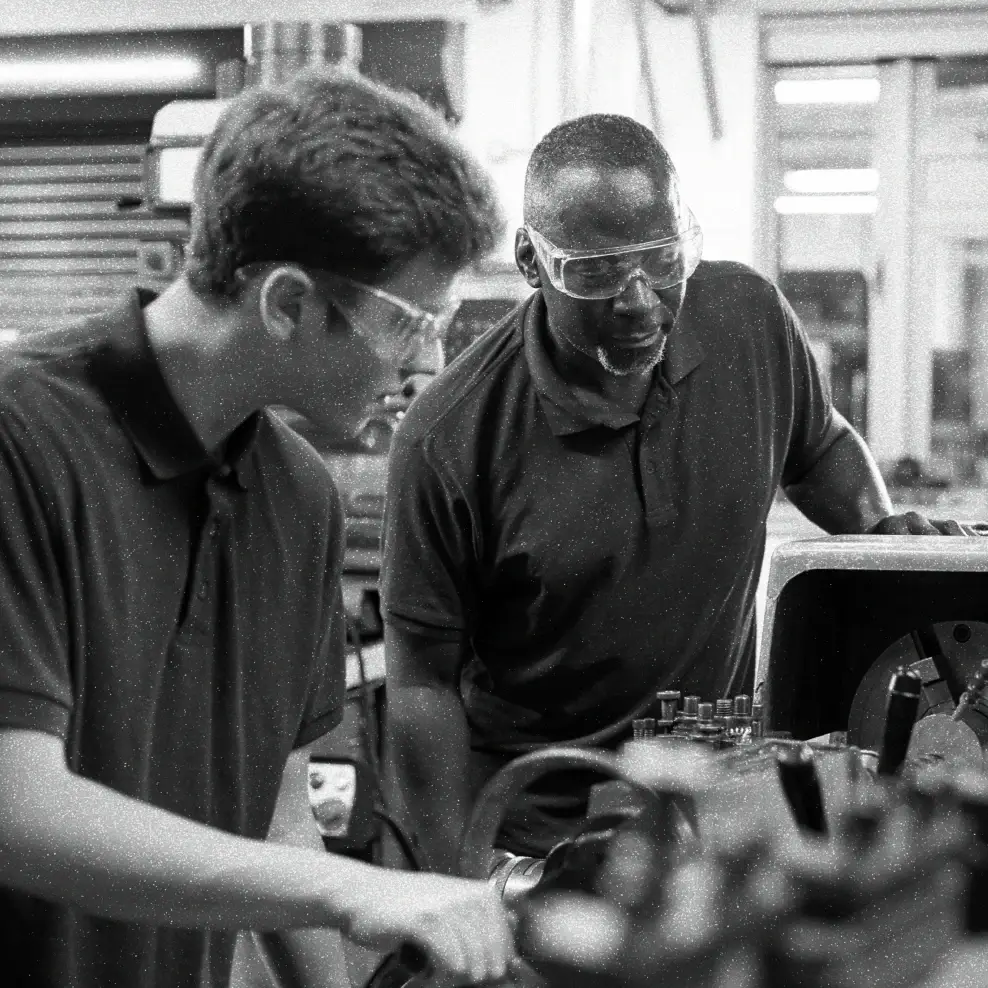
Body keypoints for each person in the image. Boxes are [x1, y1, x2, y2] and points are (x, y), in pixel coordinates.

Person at [0, 67, 514, 988]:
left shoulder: (298, 495)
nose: (432, 359)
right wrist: (344, 891)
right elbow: (16, 812)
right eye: (412, 322)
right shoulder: (22, 440)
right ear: (285, 303)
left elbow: (277, 808)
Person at [380, 113, 963, 874]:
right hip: (539, 834)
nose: (639, 302)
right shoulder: (448, 439)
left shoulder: (746, 320)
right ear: (530, 259)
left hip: (720, 807)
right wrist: (457, 873)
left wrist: (877, 530)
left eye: (662, 259)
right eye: (595, 271)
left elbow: (818, 445)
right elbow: (421, 683)